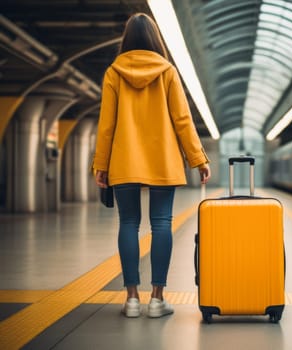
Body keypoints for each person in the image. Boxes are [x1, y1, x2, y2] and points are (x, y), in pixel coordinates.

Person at [92, 12, 211, 318]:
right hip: (163, 160)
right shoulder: (167, 71)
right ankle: (157, 299)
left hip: (124, 159)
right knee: (161, 224)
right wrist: (198, 159)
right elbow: (182, 120)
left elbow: (106, 124)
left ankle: (132, 299)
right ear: (156, 39)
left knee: (128, 223)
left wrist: (101, 164)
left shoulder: (113, 72)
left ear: (126, 39)